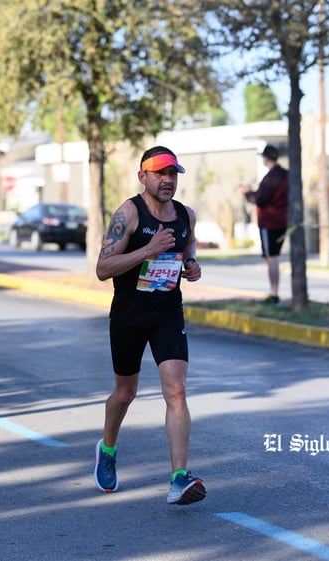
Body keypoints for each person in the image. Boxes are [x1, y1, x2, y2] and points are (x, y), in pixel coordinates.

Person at [94, 146, 206, 506]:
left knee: (176, 390)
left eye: (173, 174)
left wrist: (191, 266)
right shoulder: (128, 213)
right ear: (143, 176)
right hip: (128, 314)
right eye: (160, 173)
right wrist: (148, 249)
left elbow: (188, 248)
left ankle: (178, 478)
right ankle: (108, 448)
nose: (168, 180)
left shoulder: (186, 215)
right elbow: (102, 269)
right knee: (124, 393)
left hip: (167, 312)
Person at [240, 144, 289, 305]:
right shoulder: (285, 175)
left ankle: (274, 294)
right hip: (283, 221)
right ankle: (274, 294)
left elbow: (260, 199)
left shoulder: (271, 177)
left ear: (266, 158)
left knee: (271, 258)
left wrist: (247, 193)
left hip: (269, 222)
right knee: (274, 258)